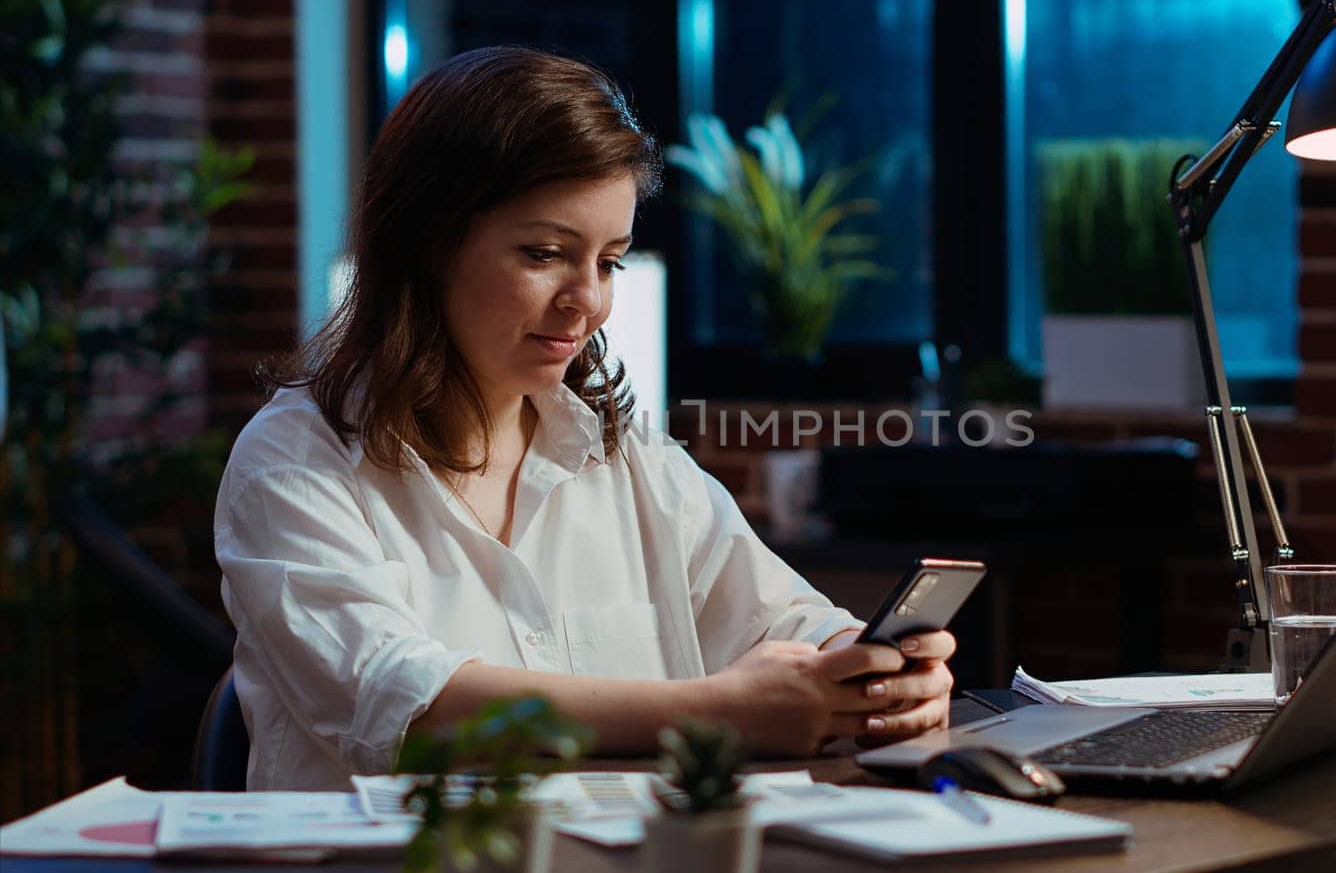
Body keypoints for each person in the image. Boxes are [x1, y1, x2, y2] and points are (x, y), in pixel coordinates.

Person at [214, 47, 956, 791]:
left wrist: (870, 670)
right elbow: (407, 705)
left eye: (609, 261)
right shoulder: (292, 464)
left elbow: (781, 618)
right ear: (429, 244)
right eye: (545, 253)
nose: (588, 301)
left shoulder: (627, 456)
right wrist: (714, 713)